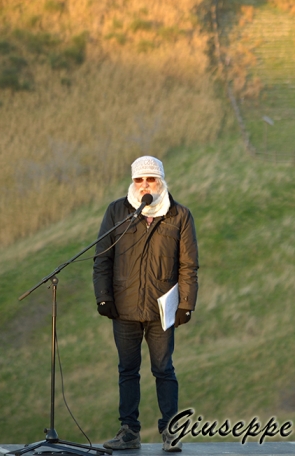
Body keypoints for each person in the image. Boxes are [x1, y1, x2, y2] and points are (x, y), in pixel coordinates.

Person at [93, 155, 198, 452]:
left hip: (161, 309)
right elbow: (102, 258)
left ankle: (170, 431)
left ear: (161, 181)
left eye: (150, 179)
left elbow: (189, 266)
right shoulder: (117, 211)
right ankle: (129, 432)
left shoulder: (179, 215)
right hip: (124, 308)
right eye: (139, 180)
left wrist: (186, 304)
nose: (144, 185)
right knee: (127, 369)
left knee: (164, 369)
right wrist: (103, 297)